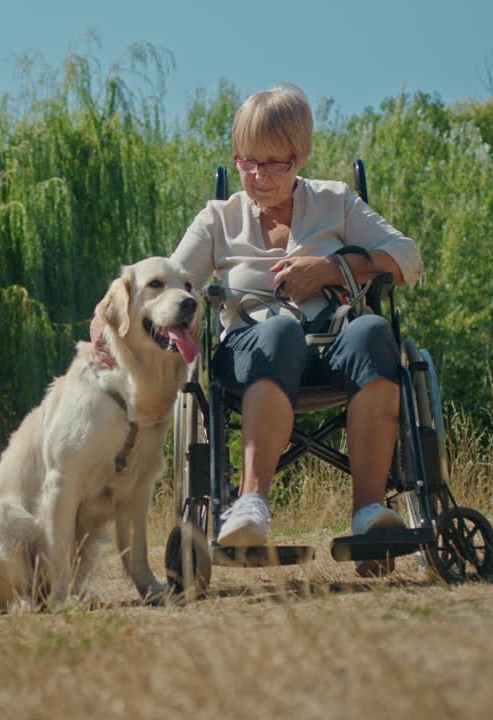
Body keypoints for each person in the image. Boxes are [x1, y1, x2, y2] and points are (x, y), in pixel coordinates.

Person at [103, 82, 423, 576]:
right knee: (278, 334)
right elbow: (166, 284)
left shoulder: (336, 203)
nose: (258, 176)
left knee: (374, 330)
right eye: (248, 162)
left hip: (334, 349)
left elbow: (408, 258)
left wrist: (332, 268)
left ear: (301, 156)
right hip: (252, 352)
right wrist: (114, 329)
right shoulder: (219, 219)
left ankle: (369, 512)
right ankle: (250, 506)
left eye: (274, 163)